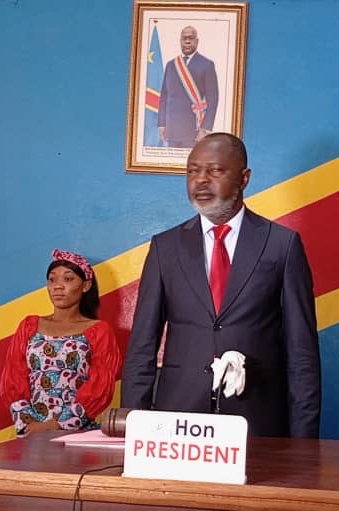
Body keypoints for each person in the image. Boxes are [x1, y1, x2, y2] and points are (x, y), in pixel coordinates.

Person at [121, 133, 321, 437]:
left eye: (215, 170)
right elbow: (142, 345)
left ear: (244, 178)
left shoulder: (282, 245)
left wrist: (304, 441)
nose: (201, 180)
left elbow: (302, 352)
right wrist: (132, 427)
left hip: (257, 419)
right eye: (192, 171)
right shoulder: (165, 247)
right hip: (178, 419)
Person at [0, 250, 123, 435]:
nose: (58, 286)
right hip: (32, 431)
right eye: (52, 279)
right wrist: (28, 423)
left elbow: (100, 386)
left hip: (76, 434)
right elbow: (13, 377)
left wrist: (57, 424)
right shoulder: (29, 326)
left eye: (68, 279)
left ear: (86, 285)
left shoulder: (99, 330)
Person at [157, 26, 219, 148]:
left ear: (197, 41)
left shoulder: (207, 64)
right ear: (180, 41)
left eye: (191, 38)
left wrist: (205, 128)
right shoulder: (171, 65)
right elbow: (164, 96)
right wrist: (162, 123)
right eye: (184, 38)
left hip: (193, 129)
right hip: (172, 129)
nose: (187, 41)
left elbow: (213, 99)